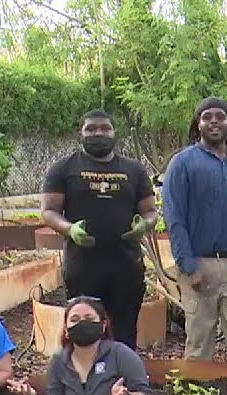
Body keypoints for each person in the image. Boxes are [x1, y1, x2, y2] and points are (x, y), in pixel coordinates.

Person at [161, 97, 227, 365]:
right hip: (199, 266)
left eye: (221, 116)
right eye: (207, 117)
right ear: (198, 124)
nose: (214, 121)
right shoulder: (182, 164)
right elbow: (174, 219)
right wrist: (188, 266)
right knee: (198, 344)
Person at [41, 109, 157, 349]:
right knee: (83, 330)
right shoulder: (64, 168)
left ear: (115, 133)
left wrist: (144, 225)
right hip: (83, 267)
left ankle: (122, 381)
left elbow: (150, 212)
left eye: (105, 128)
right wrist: (70, 229)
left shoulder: (133, 170)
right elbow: (49, 211)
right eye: (91, 129)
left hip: (126, 267)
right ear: (80, 133)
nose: (99, 133)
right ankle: (84, 382)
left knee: (124, 333)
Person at [7, 296, 154, 395]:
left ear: (103, 325)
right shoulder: (59, 362)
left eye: (89, 318)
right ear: (66, 330)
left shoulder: (120, 354)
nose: (82, 323)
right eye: (75, 319)